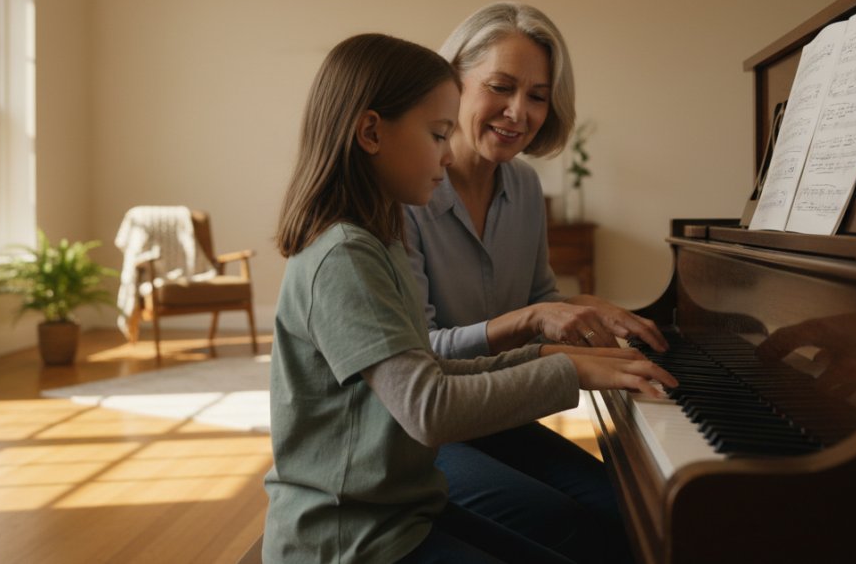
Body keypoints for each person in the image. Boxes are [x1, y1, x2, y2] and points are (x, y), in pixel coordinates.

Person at [263, 32, 676, 563]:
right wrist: (569, 371)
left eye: (537, 95)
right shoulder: (345, 255)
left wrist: (554, 354)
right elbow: (428, 407)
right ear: (371, 132)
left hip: (396, 511)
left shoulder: (375, 240)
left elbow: (427, 369)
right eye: (438, 134)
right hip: (348, 540)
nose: (446, 153)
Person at [403, 1, 670, 563]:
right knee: (570, 526)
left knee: (632, 509)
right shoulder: (408, 191)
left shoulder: (523, 187)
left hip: (496, 410)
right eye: (500, 87)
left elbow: (537, 299)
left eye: (538, 96)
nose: (518, 113)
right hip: (424, 430)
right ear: (454, 80)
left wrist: (588, 308)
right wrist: (534, 320)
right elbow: (417, 356)